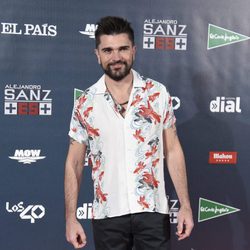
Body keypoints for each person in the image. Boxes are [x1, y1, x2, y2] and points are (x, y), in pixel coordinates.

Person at [64, 16, 193, 250]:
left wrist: (185, 205)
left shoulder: (157, 93)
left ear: (133, 50)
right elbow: (74, 163)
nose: (116, 57)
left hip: (152, 212)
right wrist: (71, 218)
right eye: (108, 50)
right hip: (107, 215)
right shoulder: (85, 103)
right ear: (97, 54)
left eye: (123, 49)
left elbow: (173, 151)